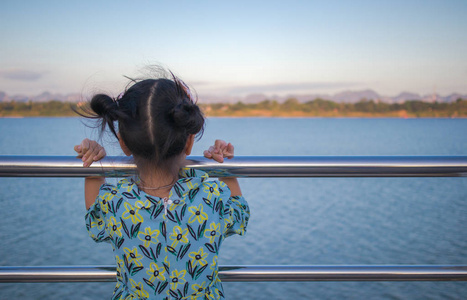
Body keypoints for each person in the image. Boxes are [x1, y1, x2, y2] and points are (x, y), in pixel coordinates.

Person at [74, 72, 250, 300]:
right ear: (189, 142)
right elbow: (239, 214)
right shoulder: (212, 196)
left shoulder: (114, 203)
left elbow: (95, 222)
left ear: (123, 143)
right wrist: (224, 167)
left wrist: (94, 162)